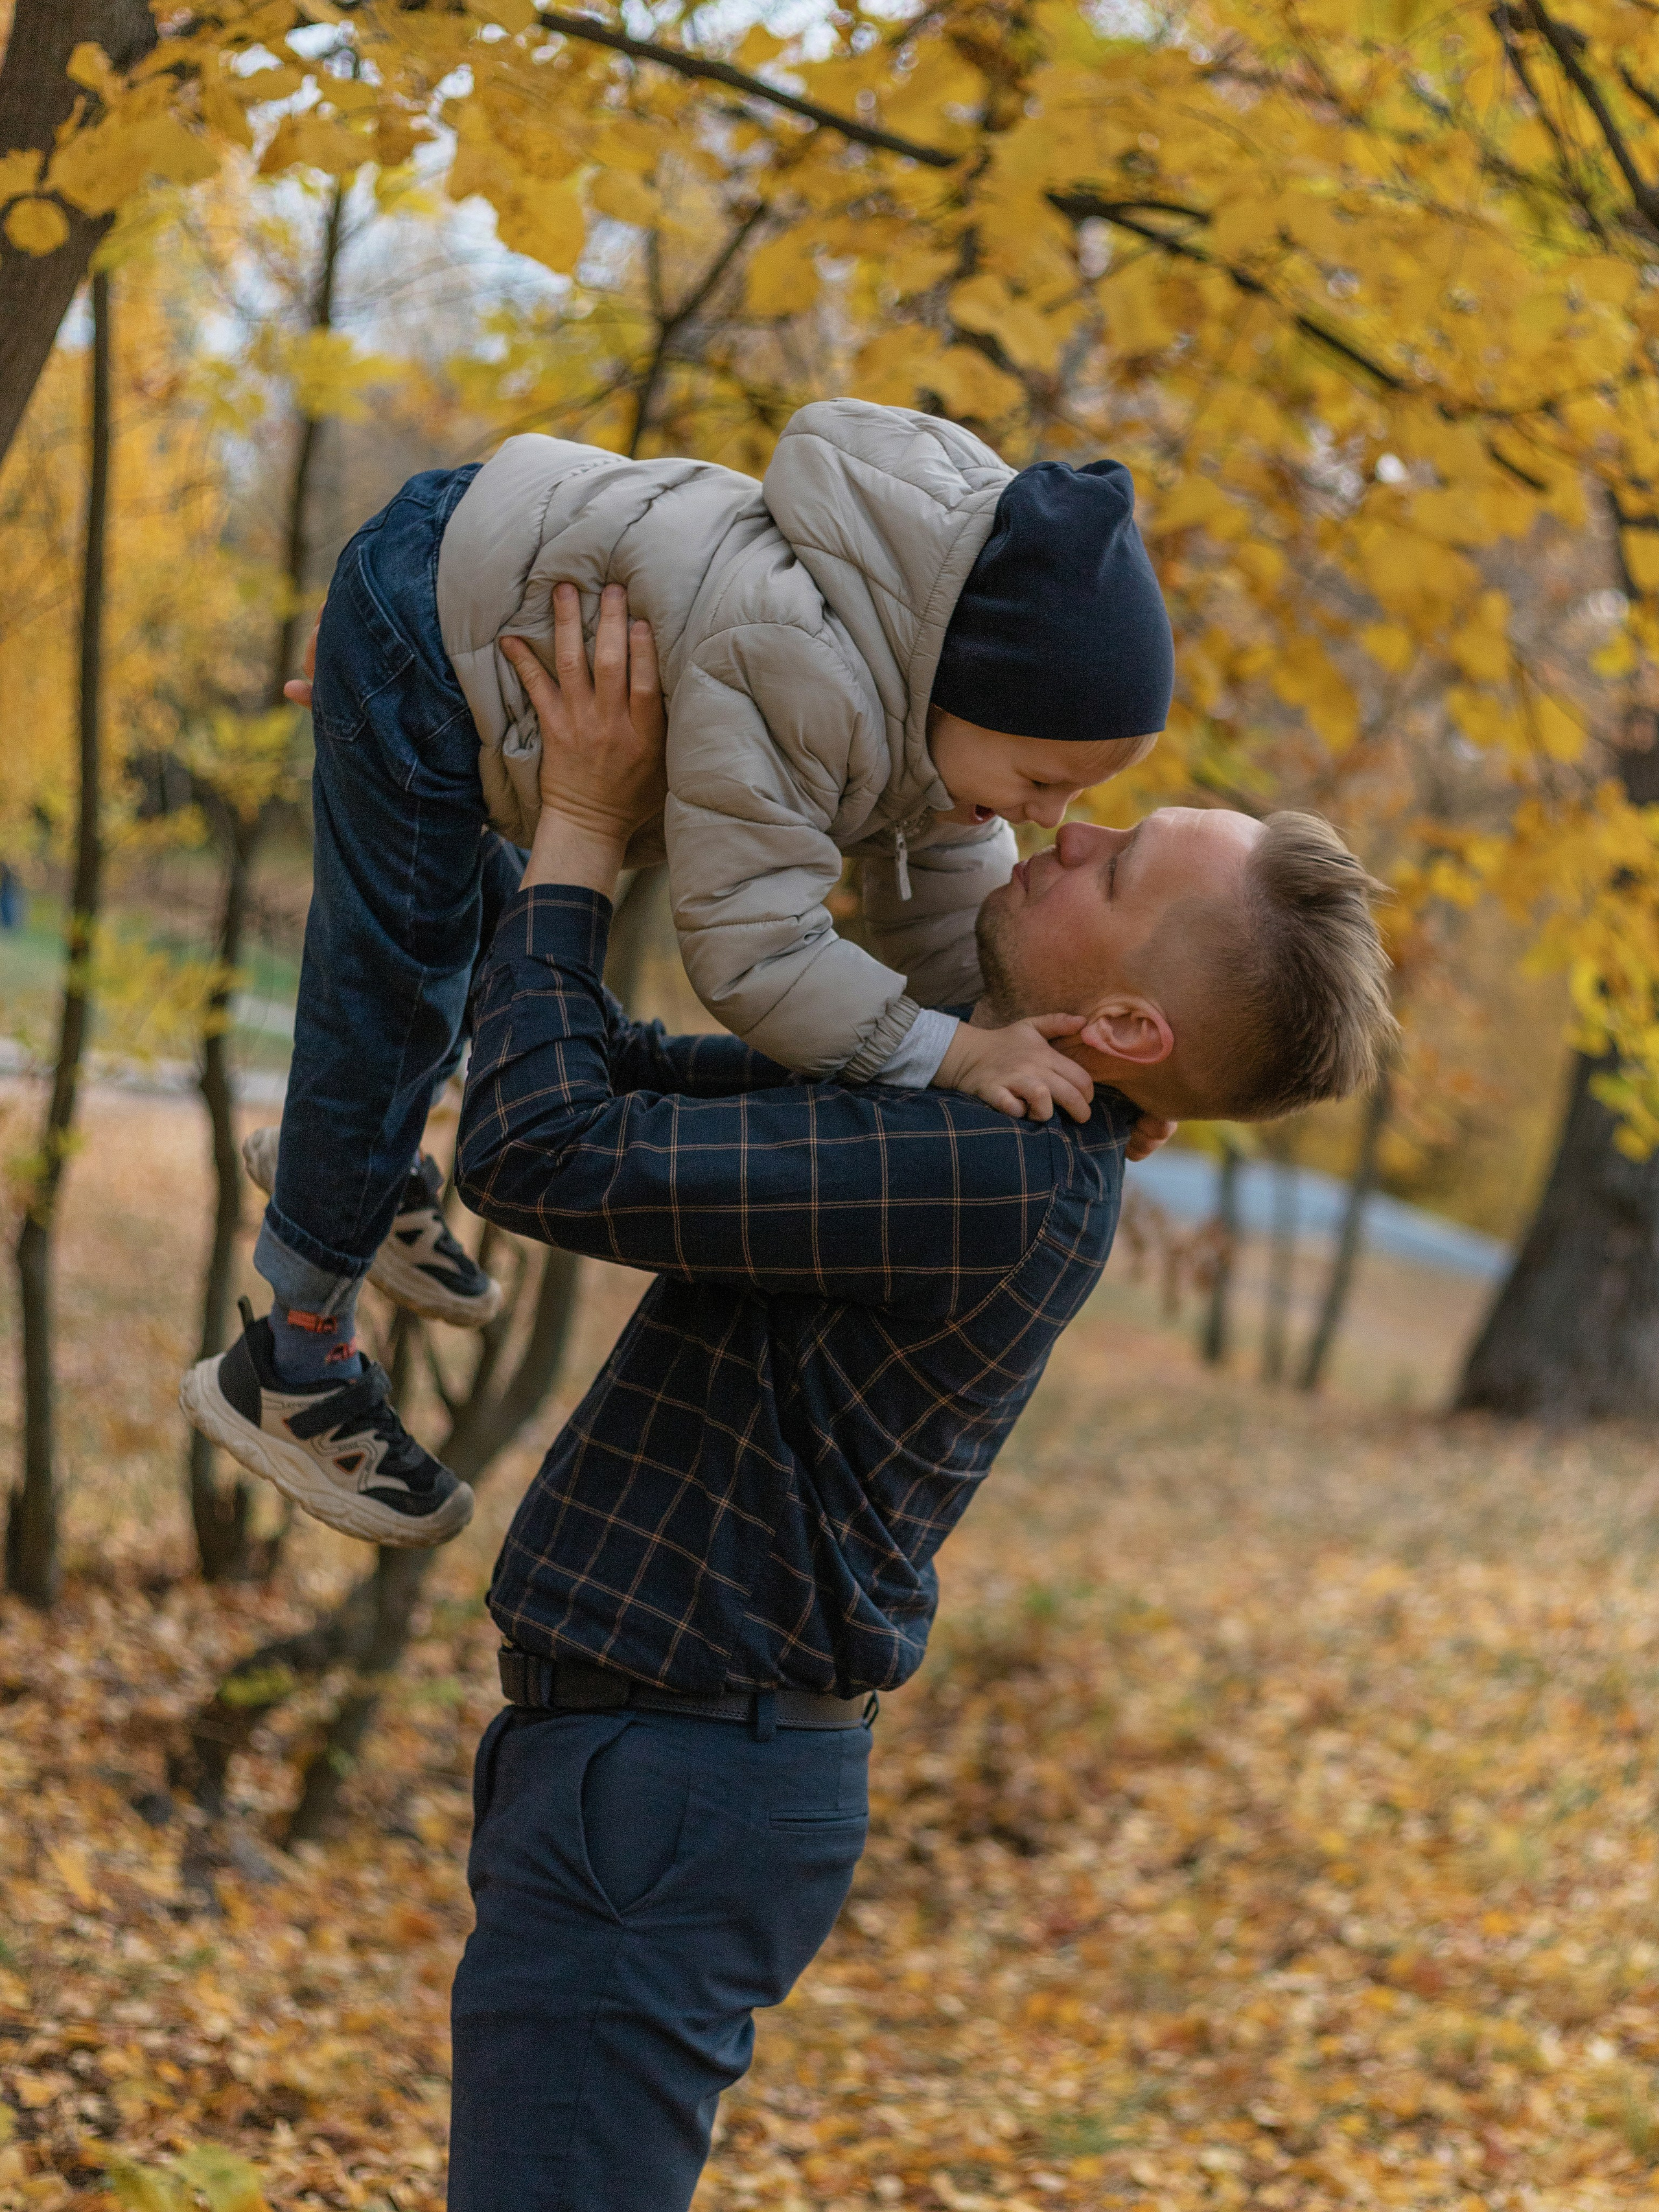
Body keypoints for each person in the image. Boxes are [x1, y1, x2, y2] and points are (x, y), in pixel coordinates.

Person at [435, 590, 1395, 2210]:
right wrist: (459, 766)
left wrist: (589, 827)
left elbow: (534, 1147)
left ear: (1126, 1027)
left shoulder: (988, 1170)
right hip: (653, 1766)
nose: (1070, 834)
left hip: (670, 1778)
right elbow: (604, 1068)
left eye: (1114, 865)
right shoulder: (972, 1107)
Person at [181, 399, 1178, 1548]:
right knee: (394, 971)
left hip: (479, 593)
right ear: (965, 688)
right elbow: (753, 951)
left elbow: (959, 938)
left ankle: (352, 1160)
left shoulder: (928, 726)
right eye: (1043, 780)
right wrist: (953, 1053)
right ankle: (296, 1355)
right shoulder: (808, 669)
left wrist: (1075, 1054)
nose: (1048, 819)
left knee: (444, 918)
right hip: (432, 621)